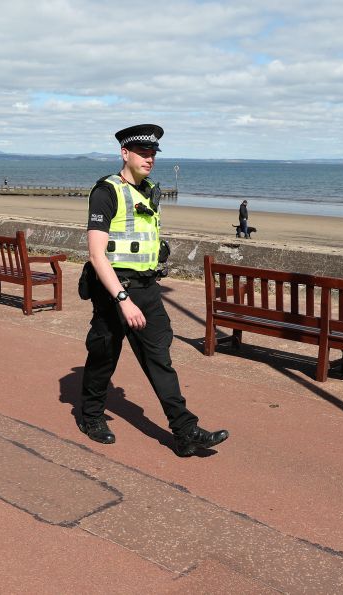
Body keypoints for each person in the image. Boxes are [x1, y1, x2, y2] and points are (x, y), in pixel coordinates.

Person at [78, 124, 229, 457]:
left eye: (153, 154)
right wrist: (122, 299)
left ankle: (185, 431)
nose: (149, 159)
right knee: (104, 357)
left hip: (147, 290)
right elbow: (95, 254)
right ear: (125, 153)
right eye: (143, 153)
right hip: (115, 292)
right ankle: (90, 417)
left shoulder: (149, 191)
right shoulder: (106, 191)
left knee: (160, 361)